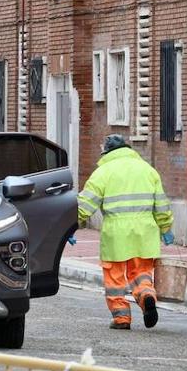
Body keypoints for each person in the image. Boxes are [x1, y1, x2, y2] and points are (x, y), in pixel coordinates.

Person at [76, 134, 174, 330]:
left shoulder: (103, 172)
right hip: (145, 233)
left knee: (114, 278)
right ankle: (147, 295)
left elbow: (85, 205)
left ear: (107, 152)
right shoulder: (148, 170)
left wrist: (71, 225)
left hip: (116, 234)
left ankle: (121, 317)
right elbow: (161, 204)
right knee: (142, 272)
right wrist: (165, 227)